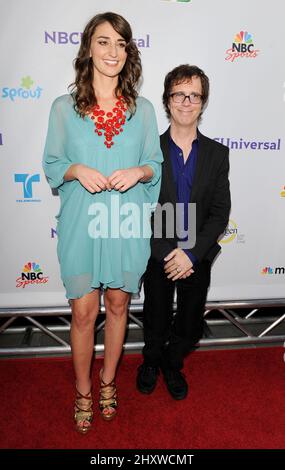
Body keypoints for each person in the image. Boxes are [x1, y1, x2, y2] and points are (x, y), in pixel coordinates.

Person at [43, 12, 162, 433]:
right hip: (80, 221)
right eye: (104, 41)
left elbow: (154, 164)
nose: (113, 51)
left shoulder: (142, 110)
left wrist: (138, 173)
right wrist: (76, 168)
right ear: (88, 48)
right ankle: (82, 390)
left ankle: (108, 383)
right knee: (82, 312)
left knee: (117, 306)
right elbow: (53, 164)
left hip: (125, 219)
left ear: (128, 52)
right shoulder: (63, 107)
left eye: (121, 44)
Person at [137, 64, 231, 400]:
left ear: (203, 102)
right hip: (159, 252)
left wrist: (190, 253)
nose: (186, 101)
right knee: (155, 320)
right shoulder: (150, 152)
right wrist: (167, 252)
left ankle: (171, 363)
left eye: (194, 95)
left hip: (197, 255)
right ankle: (150, 361)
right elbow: (143, 207)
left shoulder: (218, 154)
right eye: (179, 94)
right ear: (167, 100)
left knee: (190, 328)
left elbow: (220, 212)